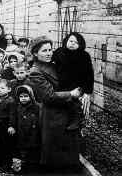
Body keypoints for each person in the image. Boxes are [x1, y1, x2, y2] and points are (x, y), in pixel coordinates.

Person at [27, 36, 82, 170]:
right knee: (56, 155)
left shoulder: (52, 64)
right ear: (35, 53)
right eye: (44, 51)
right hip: (54, 116)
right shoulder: (36, 72)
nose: (49, 53)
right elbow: (48, 96)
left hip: (66, 112)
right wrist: (71, 94)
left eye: (50, 50)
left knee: (67, 151)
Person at [52, 32, 94, 130]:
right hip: (60, 82)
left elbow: (89, 74)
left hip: (76, 84)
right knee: (60, 102)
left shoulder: (84, 56)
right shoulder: (59, 52)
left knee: (74, 103)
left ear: (80, 45)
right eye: (71, 41)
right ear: (66, 41)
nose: (72, 44)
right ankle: (60, 120)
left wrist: (87, 91)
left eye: (76, 42)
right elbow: (51, 60)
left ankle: (76, 119)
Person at [12, 85, 41, 172]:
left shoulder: (37, 107)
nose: (23, 98)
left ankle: (32, 167)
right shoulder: (18, 107)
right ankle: (21, 166)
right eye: (21, 96)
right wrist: (13, 126)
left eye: (26, 96)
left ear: (31, 96)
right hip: (21, 132)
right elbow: (14, 118)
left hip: (33, 133)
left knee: (33, 151)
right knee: (22, 150)